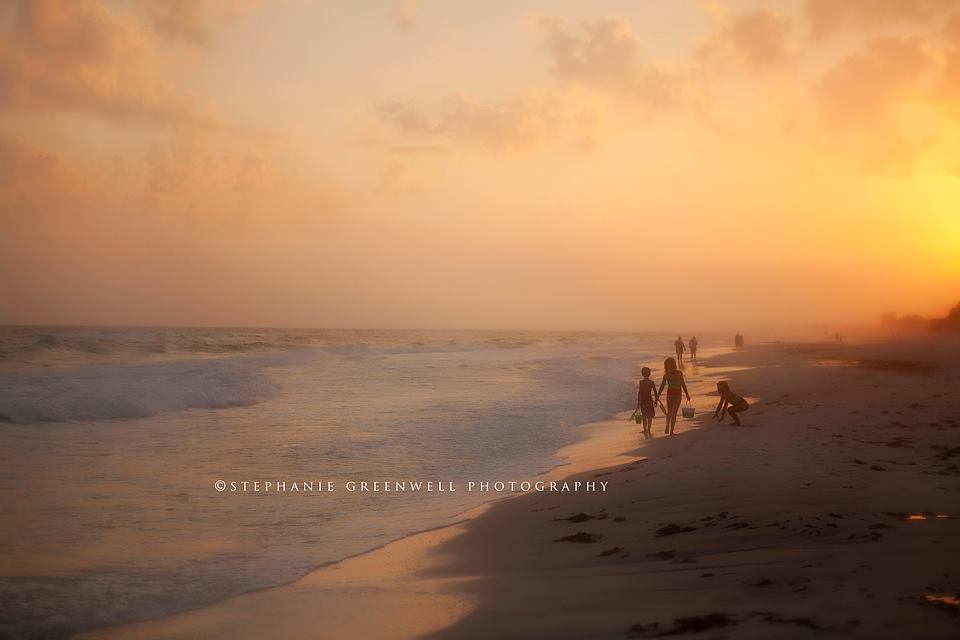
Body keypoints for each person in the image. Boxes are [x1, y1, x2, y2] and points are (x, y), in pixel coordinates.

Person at [657, 357, 690, 436]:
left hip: (670, 394)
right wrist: (687, 394)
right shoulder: (679, 373)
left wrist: (657, 396)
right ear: (674, 364)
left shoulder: (666, 375)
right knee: (674, 412)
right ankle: (671, 431)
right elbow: (683, 384)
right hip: (677, 394)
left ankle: (667, 425)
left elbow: (662, 386)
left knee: (669, 411)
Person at [634, 366, 656, 438]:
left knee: (644, 417)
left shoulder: (641, 382)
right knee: (649, 417)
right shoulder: (652, 382)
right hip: (649, 400)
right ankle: (649, 430)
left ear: (642, 374)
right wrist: (656, 401)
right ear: (649, 374)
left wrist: (638, 403)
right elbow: (655, 393)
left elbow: (640, 393)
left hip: (643, 401)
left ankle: (645, 430)